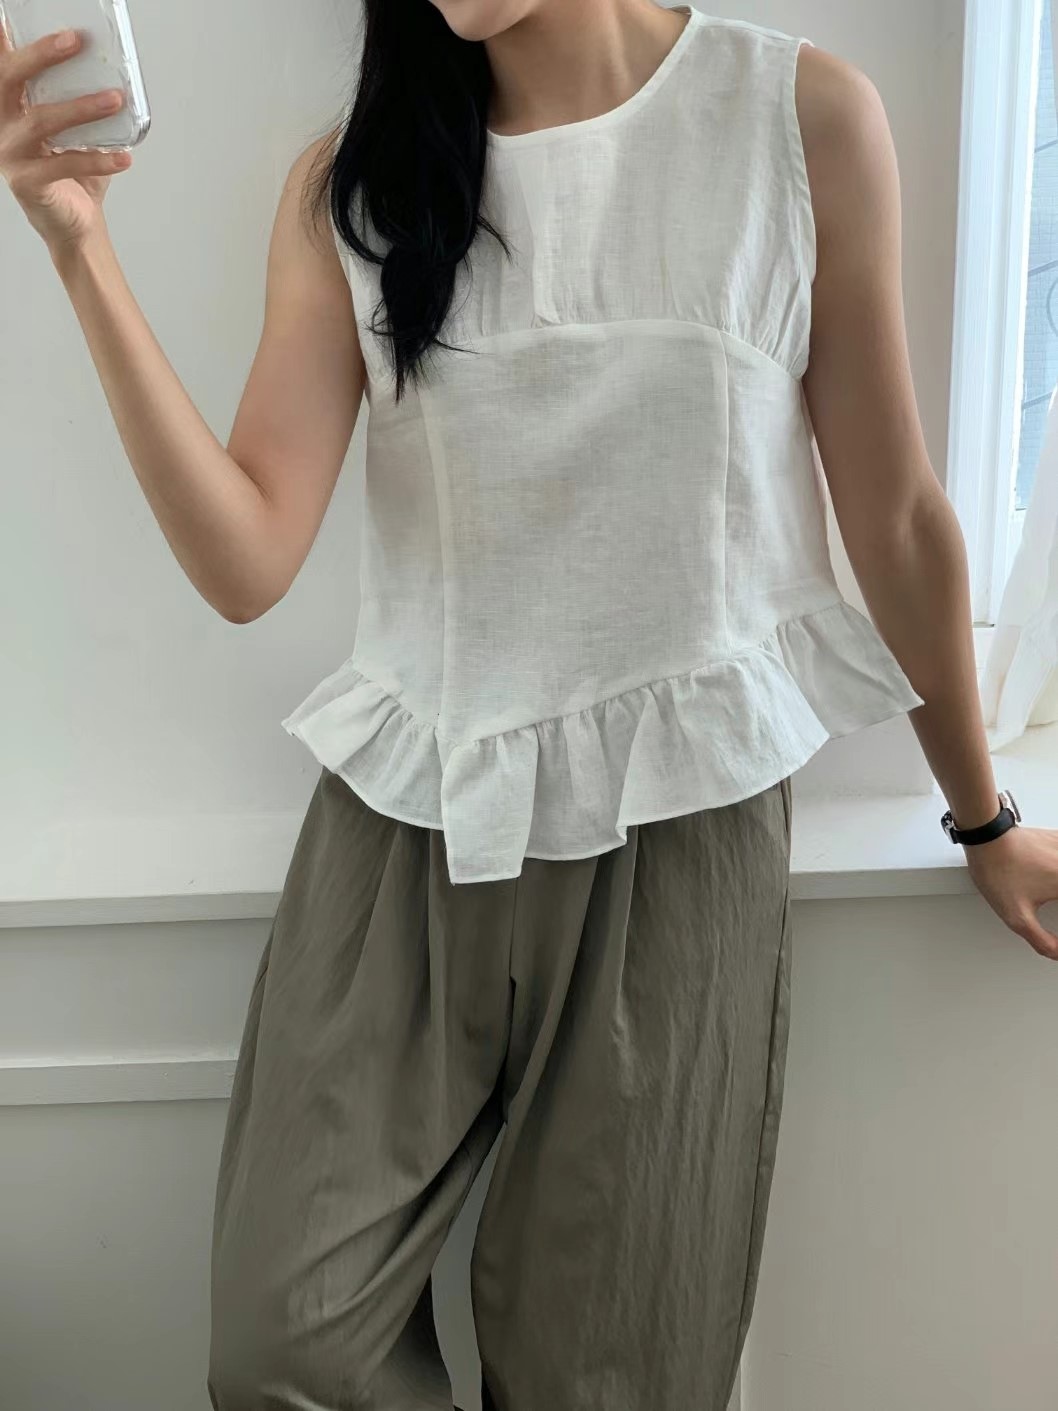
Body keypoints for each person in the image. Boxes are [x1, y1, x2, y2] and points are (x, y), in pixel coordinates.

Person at [3, 2, 1057, 1407]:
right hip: (399, 836)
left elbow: (897, 516)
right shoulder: (353, 184)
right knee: (284, 1352)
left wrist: (982, 819)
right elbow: (247, 560)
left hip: (678, 845)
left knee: (609, 1378)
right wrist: (80, 251)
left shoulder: (795, 117)